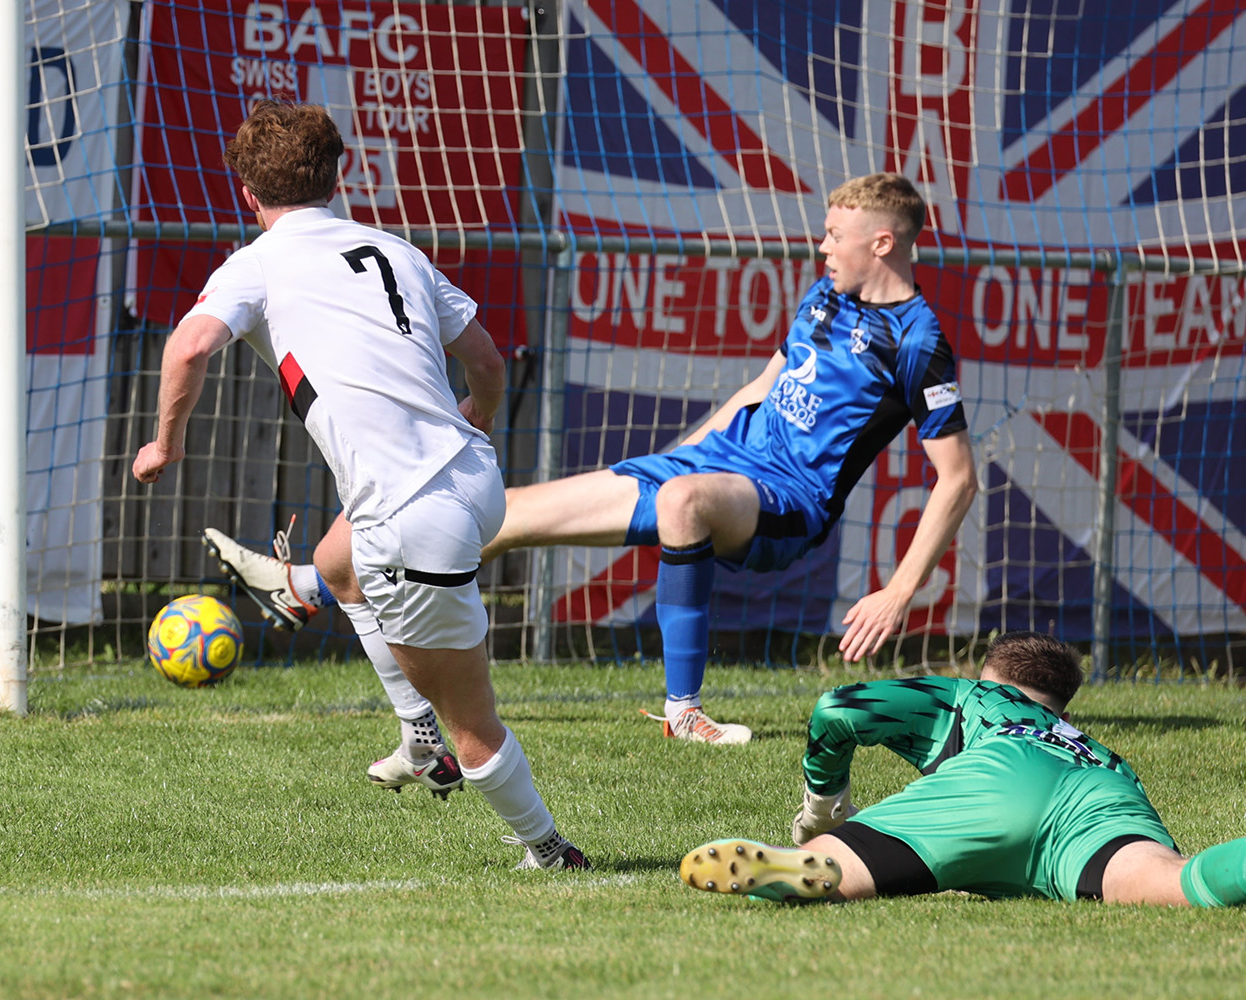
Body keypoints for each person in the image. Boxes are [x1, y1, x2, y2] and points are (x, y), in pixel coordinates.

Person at [209, 172, 977, 749]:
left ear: (882, 243)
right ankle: (304, 588)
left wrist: (899, 591)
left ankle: (684, 714)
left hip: (788, 501)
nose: (822, 246)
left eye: (835, 235)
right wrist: (687, 453)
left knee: (682, 503)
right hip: (719, 467)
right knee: (492, 515)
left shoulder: (917, 340)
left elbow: (956, 479)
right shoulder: (825, 296)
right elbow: (763, 384)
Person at [134, 99, 589, 871]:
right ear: (337, 177)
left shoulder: (258, 264)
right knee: (338, 561)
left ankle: (548, 850)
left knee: (473, 723)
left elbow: (187, 348)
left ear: (247, 192)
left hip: (414, 519)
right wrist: (479, 411)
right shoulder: (392, 249)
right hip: (474, 480)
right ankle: (413, 730)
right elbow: (485, 359)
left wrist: (164, 443)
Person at [679, 631, 1246, 908]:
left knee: (827, 870)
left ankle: (785, 867)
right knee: (1175, 883)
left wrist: (822, 809)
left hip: (999, 778)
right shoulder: (1090, 744)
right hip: (1103, 793)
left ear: (987, 677)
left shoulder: (978, 697)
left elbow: (838, 708)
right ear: (1064, 711)